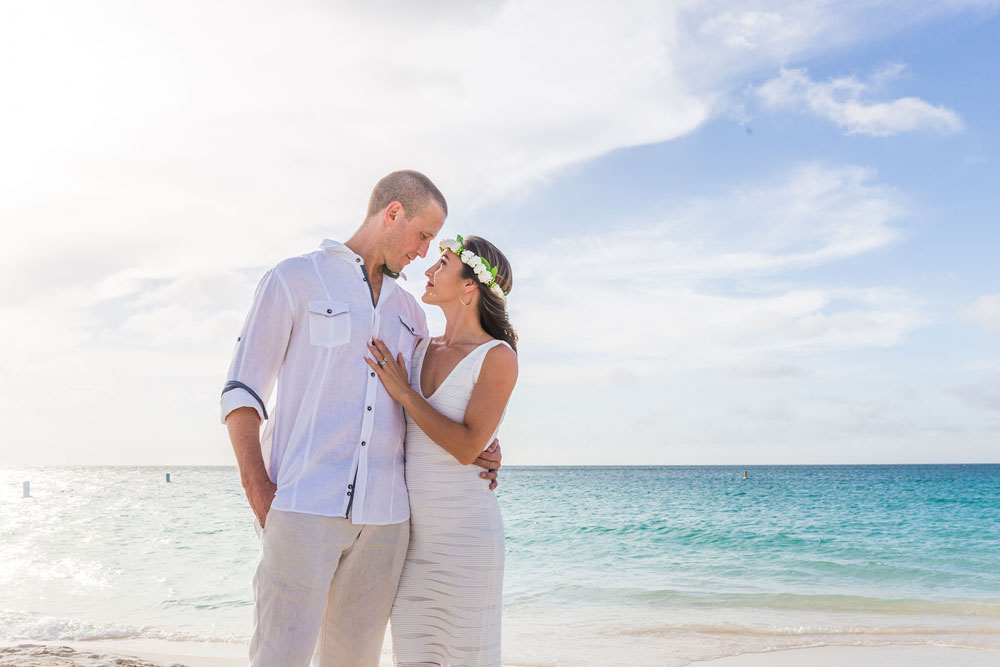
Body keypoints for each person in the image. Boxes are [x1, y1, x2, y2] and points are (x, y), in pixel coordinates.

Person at [220, 171, 502, 667]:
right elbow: (243, 391)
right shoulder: (294, 278)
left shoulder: (411, 313)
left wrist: (482, 444)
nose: (423, 252)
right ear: (393, 213)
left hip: (387, 524)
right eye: (422, 236)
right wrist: (259, 490)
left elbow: (431, 403)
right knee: (278, 658)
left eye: (434, 244)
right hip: (303, 506)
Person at [366, 234, 518, 667]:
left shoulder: (497, 356)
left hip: (467, 543)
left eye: (443, 263)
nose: (428, 272)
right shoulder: (417, 348)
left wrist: (404, 393)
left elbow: (468, 447)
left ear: (470, 285)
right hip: (413, 545)